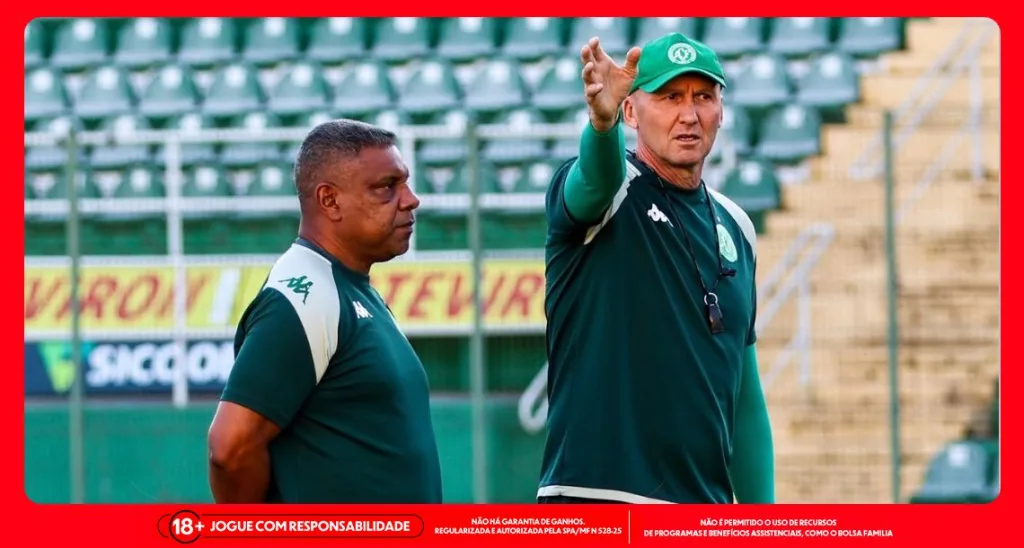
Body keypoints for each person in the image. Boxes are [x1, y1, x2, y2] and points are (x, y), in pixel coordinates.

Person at [537, 32, 775, 504]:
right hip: (596, 500)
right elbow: (595, 180)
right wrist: (600, 127)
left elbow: (744, 396)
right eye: (669, 97)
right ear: (630, 112)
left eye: (703, 97)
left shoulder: (737, 226)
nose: (689, 114)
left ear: (721, 111)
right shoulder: (609, 191)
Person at [207, 119, 443, 504]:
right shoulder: (305, 295)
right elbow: (229, 449)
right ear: (329, 200)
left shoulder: (351, 288)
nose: (410, 199)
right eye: (387, 187)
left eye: (405, 183)